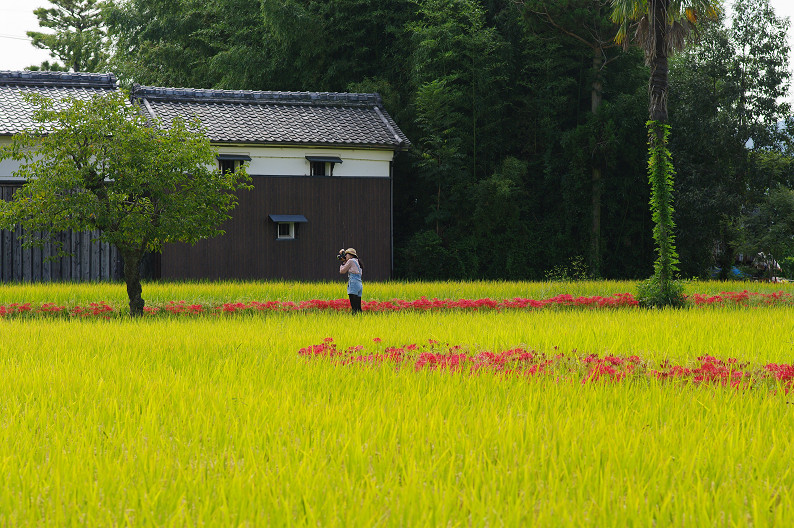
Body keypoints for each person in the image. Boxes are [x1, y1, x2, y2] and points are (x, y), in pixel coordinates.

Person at [339, 248, 363, 314]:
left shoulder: (351, 261)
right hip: (359, 284)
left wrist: (343, 262)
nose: (345, 256)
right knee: (358, 307)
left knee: (354, 307)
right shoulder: (357, 261)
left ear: (351, 255)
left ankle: (355, 319)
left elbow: (342, 271)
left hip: (353, 283)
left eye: (347, 254)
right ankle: (360, 320)